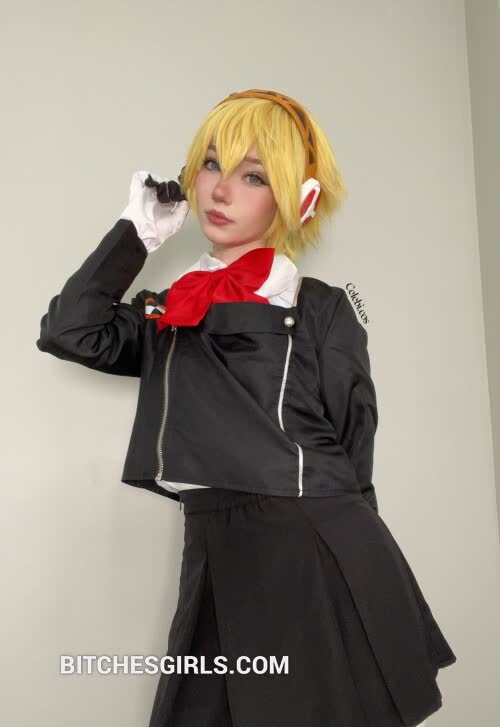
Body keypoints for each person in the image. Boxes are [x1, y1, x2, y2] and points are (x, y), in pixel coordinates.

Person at [36, 89, 457, 727]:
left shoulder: (320, 306)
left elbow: (355, 440)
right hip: (212, 540)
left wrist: (355, 575)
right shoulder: (168, 309)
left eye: (253, 176)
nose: (222, 189)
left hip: (309, 542)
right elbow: (70, 330)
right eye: (211, 165)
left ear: (294, 198)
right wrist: (135, 234)